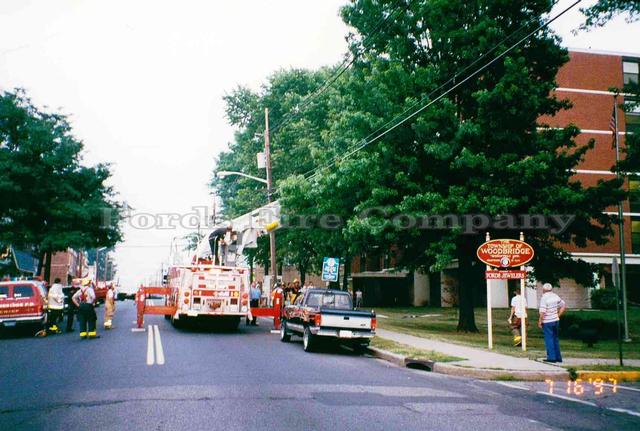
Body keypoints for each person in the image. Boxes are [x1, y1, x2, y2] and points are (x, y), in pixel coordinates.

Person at [538, 283, 566, 363]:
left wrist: (540, 321)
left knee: (549, 339)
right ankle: (558, 357)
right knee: (555, 338)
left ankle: (551, 357)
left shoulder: (544, 298)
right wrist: (558, 315)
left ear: (543, 290)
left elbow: (542, 312)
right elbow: (563, 305)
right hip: (556, 320)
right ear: (551, 289)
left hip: (547, 321)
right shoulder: (555, 296)